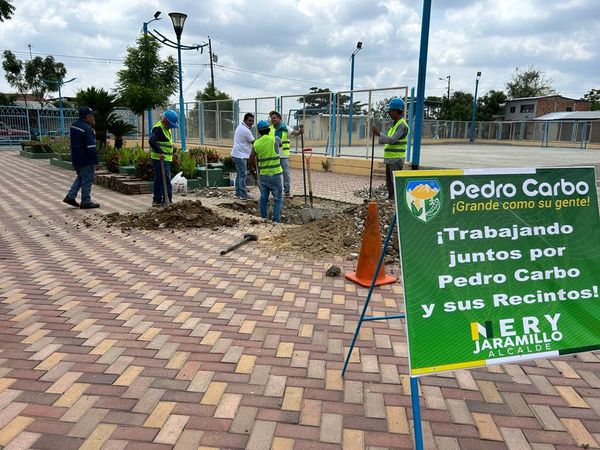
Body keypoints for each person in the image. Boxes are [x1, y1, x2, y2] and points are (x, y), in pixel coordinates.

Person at [372, 98, 409, 199]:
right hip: (390, 158)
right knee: (389, 182)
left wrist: (378, 134)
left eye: (391, 111)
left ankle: (397, 201)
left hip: (396, 159)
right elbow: (389, 140)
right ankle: (391, 199)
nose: (389, 113)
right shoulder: (394, 124)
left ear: (397, 111)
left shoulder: (402, 125)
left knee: (395, 182)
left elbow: (392, 139)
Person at [63, 106, 100, 209]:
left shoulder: (74, 126)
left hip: (76, 158)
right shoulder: (87, 129)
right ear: (87, 116)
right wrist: (96, 161)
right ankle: (86, 202)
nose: (93, 118)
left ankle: (70, 196)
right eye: (92, 116)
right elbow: (91, 147)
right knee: (87, 179)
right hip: (85, 159)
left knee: (81, 177)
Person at [249, 120, 283, 223]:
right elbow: (280, 146)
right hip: (275, 174)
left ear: (258, 131)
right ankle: (276, 220)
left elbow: (250, 160)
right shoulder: (275, 139)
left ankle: (264, 217)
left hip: (263, 175)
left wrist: (251, 169)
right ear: (269, 129)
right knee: (277, 198)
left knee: (263, 197)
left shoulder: (256, 143)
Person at [268, 110, 303, 198]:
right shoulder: (270, 129)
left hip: (283, 155)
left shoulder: (285, 128)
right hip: (274, 155)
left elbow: (295, 133)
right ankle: (275, 190)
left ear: (279, 119)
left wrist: (300, 131)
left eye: (275, 118)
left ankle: (286, 190)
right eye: (272, 118)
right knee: (274, 173)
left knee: (286, 173)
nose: (273, 119)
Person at [149, 110, 178, 206]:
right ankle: (167, 199)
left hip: (165, 158)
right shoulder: (158, 128)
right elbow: (152, 141)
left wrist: (173, 152)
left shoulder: (166, 128)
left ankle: (157, 199)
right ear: (165, 121)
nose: (171, 127)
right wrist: (160, 152)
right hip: (159, 159)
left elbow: (167, 143)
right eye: (170, 125)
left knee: (160, 178)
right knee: (165, 179)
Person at [231, 112, 255, 200]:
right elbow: (254, 142)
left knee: (239, 174)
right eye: (249, 120)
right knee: (243, 175)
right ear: (245, 120)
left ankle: (238, 193)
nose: (251, 123)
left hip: (237, 154)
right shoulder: (246, 130)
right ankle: (243, 194)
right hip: (240, 155)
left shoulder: (240, 127)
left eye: (252, 121)